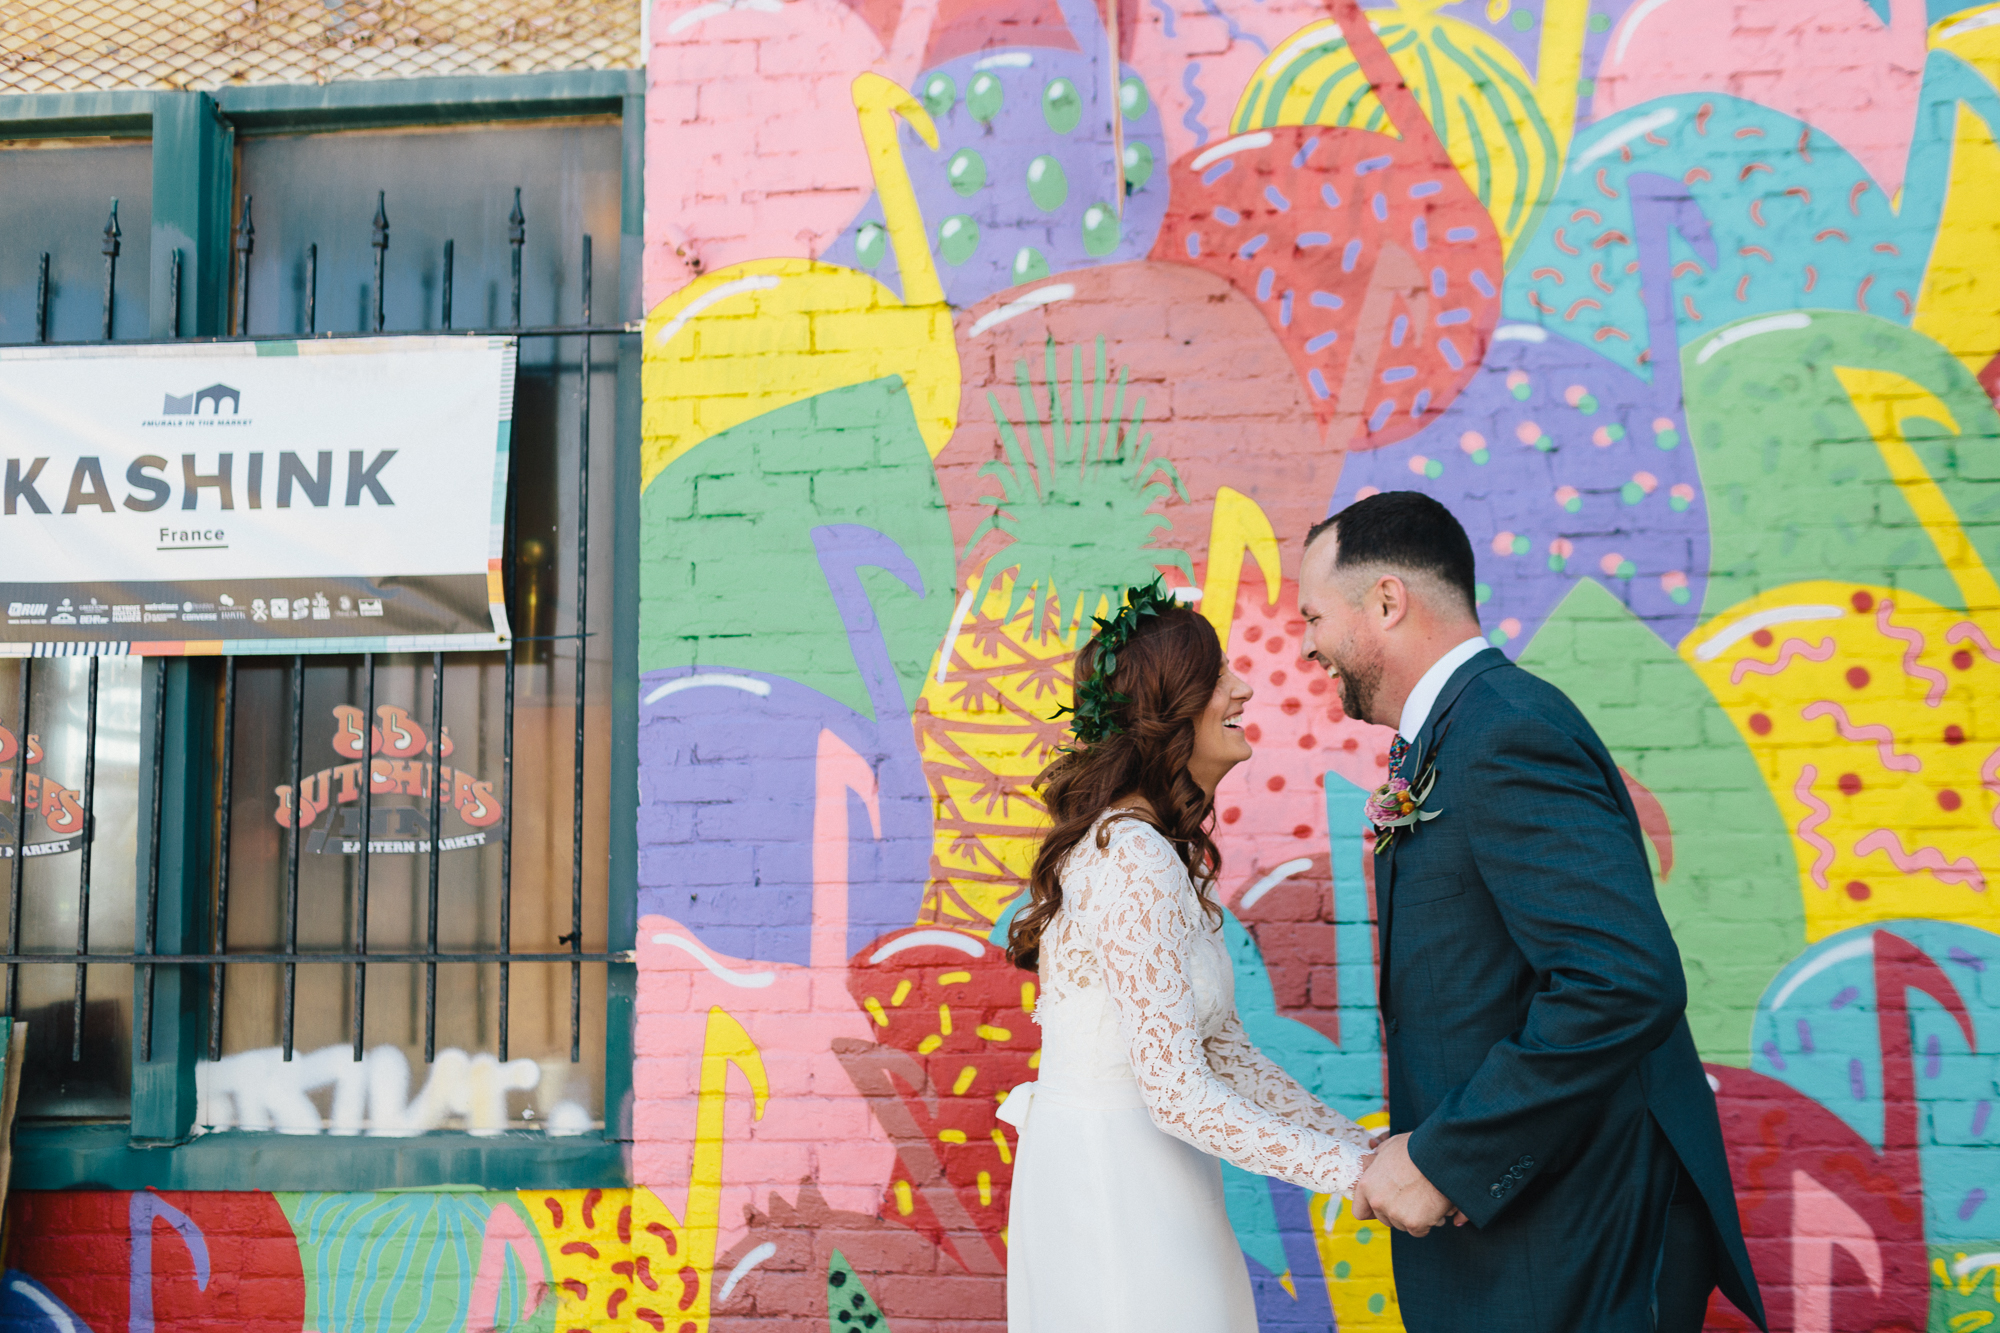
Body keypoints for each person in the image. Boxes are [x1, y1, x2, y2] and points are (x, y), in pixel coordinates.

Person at [1299, 490, 1765, 1332]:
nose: (1307, 645)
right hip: (1518, 1237)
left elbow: (1621, 979)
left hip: (1578, 1237)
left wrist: (1447, 1158)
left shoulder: (1506, 731)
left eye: (1315, 616)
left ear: (1387, 601)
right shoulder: (1451, 736)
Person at [1000, 581, 1375, 1333]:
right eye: (1217, 676)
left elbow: (1225, 1055)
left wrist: (1362, 1147)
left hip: (1159, 1182)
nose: (1244, 687)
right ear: (1169, 709)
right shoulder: (1132, 860)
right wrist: (1349, 1175)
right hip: (1116, 1196)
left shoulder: (1150, 849)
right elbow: (1176, 1091)